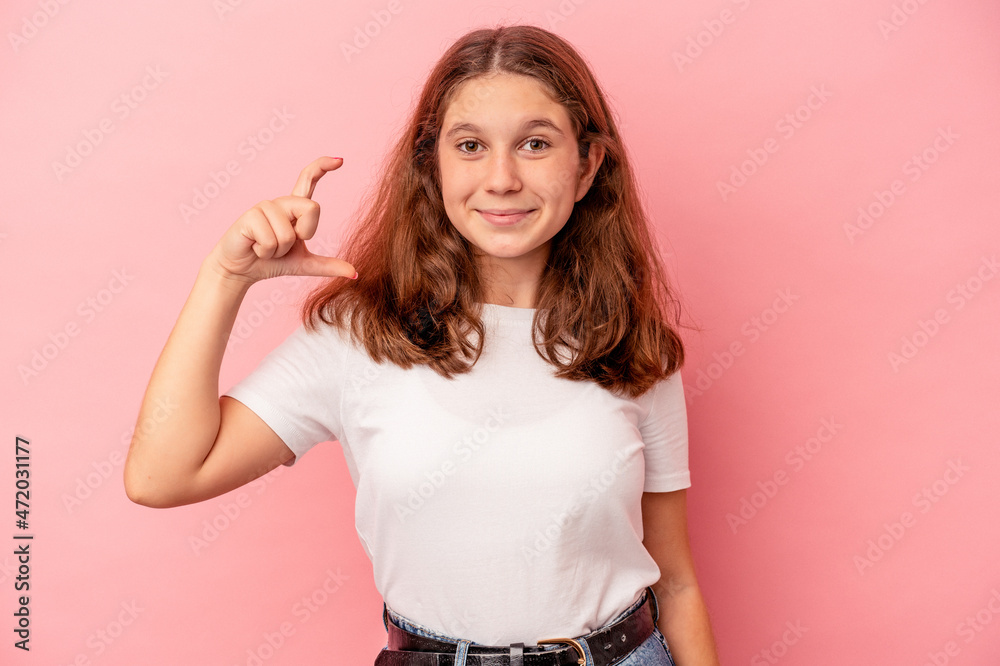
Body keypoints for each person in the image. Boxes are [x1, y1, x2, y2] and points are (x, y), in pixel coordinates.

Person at [124, 24, 720, 666]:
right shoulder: (358, 336)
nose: (501, 178)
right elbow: (162, 476)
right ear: (432, 166)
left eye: (535, 143)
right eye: (470, 145)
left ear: (587, 167)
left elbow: (676, 582)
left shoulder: (628, 345)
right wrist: (226, 276)